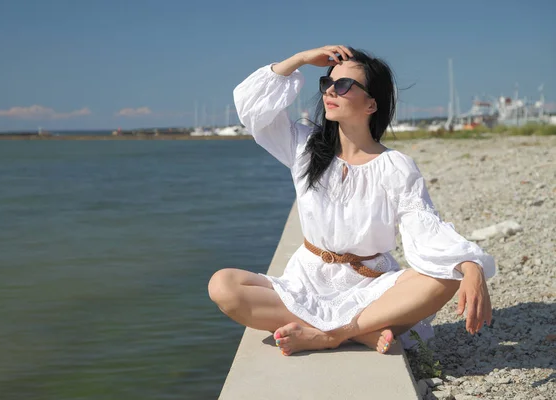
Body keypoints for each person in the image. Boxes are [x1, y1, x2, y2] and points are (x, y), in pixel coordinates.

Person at [208, 45, 496, 356]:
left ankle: (334, 334)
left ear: (372, 103)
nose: (330, 90)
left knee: (446, 277)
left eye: (343, 85)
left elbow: (424, 224)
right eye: (327, 83)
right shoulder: (304, 146)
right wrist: (300, 60)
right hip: (307, 279)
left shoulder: (396, 166)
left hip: (370, 286)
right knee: (223, 285)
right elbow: (253, 111)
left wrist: (470, 265)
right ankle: (361, 332)